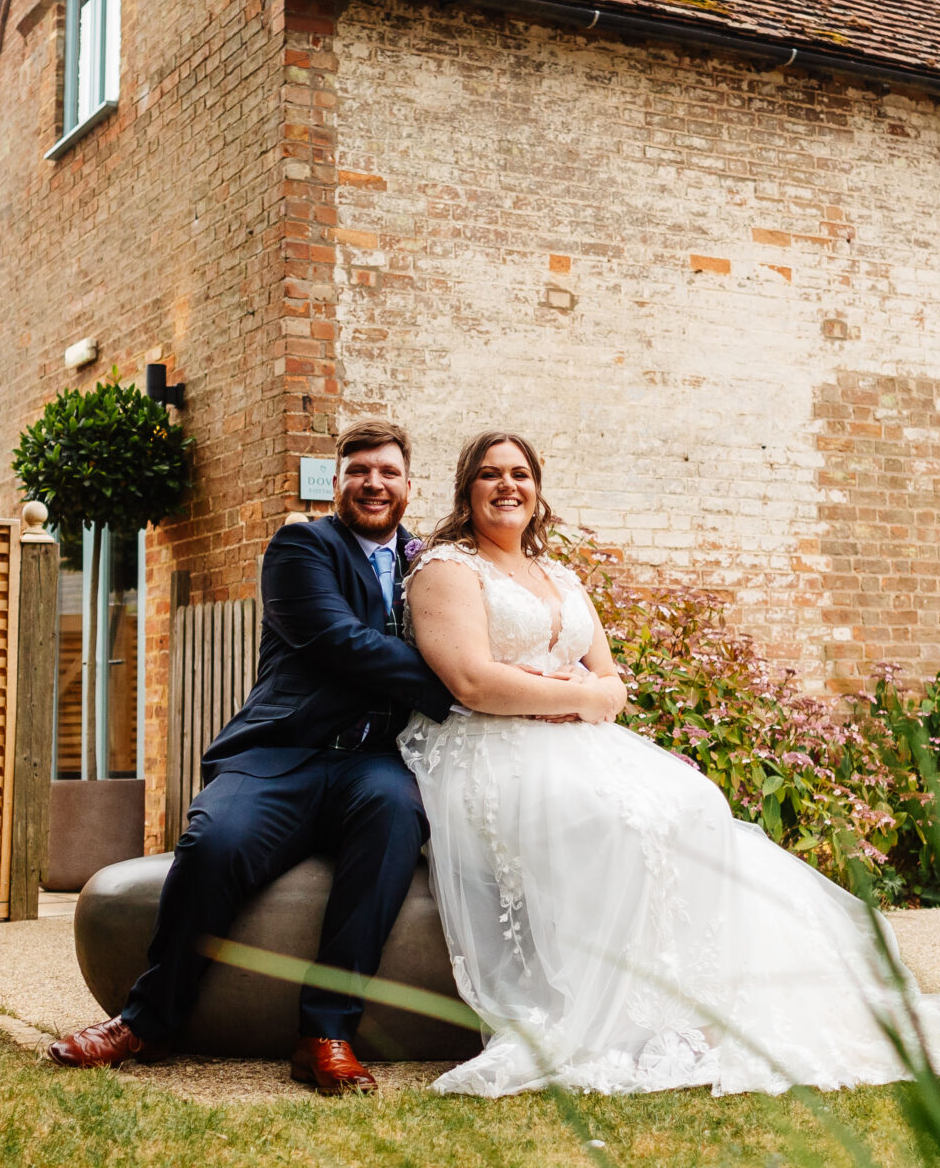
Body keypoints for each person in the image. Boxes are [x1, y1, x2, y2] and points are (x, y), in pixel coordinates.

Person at [400, 430, 940, 1097]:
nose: (507, 485)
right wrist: (573, 695)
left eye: (520, 474)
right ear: (466, 490)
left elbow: (613, 683)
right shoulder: (448, 568)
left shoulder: (558, 574)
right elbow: (473, 682)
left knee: (697, 804)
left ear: (537, 491)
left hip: (578, 736)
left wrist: (584, 698)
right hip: (489, 746)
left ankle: (688, 1003)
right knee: (615, 824)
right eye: (490, 475)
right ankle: (613, 1015)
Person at [46, 419, 582, 1095]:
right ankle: (147, 1018)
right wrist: (469, 683)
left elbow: (472, 635)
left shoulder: (434, 562)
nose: (374, 482)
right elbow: (342, 642)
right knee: (215, 843)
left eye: (388, 471)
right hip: (282, 752)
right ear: (337, 484)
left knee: (394, 821)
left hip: (376, 763)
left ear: (410, 486)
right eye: (359, 470)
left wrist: (511, 675)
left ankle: (326, 1032)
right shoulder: (302, 545)